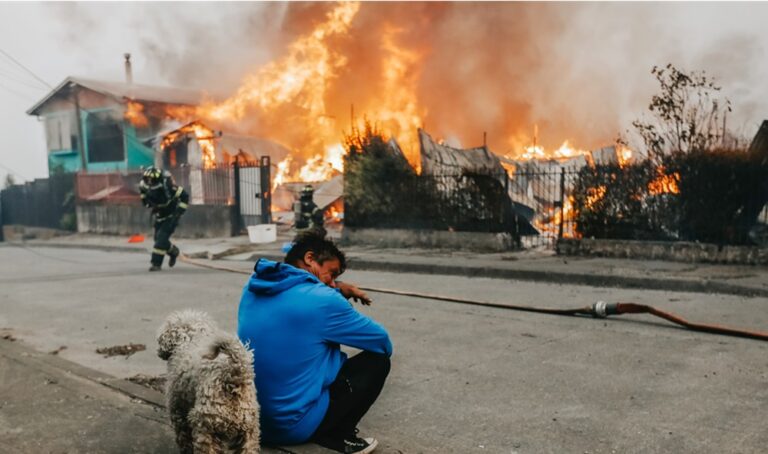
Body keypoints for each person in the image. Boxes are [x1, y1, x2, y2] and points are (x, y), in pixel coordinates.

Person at [238, 231, 392, 453]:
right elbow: (382, 343)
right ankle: (336, 435)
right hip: (291, 428)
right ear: (310, 258)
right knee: (377, 362)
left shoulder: (252, 288)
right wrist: (337, 297)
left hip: (252, 422)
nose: (331, 283)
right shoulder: (323, 300)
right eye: (331, 274)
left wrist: (336, 288)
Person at [139, 167, 189, 272]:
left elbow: (185, 196)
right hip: (159, 215)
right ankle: (174, 252)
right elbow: (142, 192)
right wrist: (145, 201)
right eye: (147, 179)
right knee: (158, 240)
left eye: (151, 180)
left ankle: (156, 264)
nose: (149, 182)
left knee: (160, 240)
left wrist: (179, 212)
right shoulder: (144, 184)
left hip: (171, 216)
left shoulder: (168, 186)